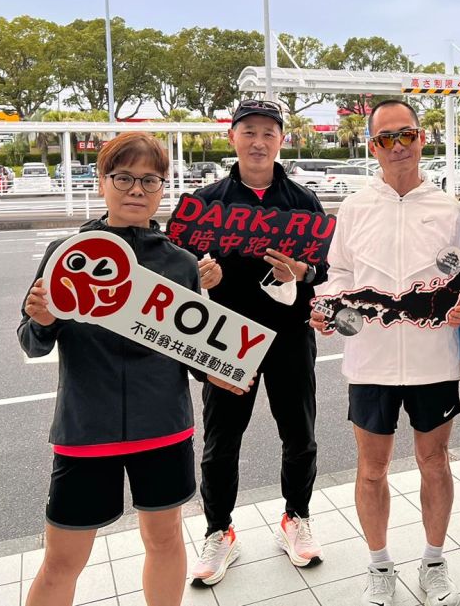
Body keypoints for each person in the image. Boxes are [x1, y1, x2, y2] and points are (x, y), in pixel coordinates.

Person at [19, 132, 244, 606]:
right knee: (62, 559)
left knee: (164, 541)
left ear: (164, 187)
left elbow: (192, 351)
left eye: (150, 180)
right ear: (102, 182)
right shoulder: (69, 252)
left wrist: (221, 371)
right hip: (85, 429)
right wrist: (42, 321)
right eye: (124, 177)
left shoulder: (180, 263)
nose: (136, 190)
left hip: (163, 427)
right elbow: (31, 341)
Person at [310, 99, 460, 606]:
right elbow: (338, 278)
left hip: (433, 360)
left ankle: (434, 558)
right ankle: (380, 564)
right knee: (371, 468)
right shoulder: (355, 208)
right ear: (372, 147)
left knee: (435, 461)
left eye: (406, 135)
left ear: (423, 138)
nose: (397, 147)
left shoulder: (447, 208)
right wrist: (333, 313)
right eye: (386, 139)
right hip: (371, 361)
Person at [190, 99, 329, 585]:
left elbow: (326, 269)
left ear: (280, 141)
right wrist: (199, 276)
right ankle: (218, 530)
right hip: (225, 339)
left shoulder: (303, 201)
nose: (258, 141)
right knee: (221, 441)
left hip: (290, 335)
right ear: (232, 137)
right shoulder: (205, 201)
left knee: (299, 433)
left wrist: (303, 271)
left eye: (269, 132)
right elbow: (173, 273)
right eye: (249, 131)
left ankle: (297, 516)